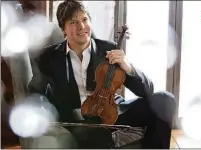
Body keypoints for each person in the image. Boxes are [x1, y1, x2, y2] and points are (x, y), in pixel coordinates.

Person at [27, 0, 176, 148]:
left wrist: (127, 67)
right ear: (63, 28)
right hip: (81, 120)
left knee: (164, 99)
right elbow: (36, 91)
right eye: (73, 22)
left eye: (84, 19)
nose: (81, 26)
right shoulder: (49, 56)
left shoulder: (109, 50)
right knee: (95, 134)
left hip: (113, 111)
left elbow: (147, 90)